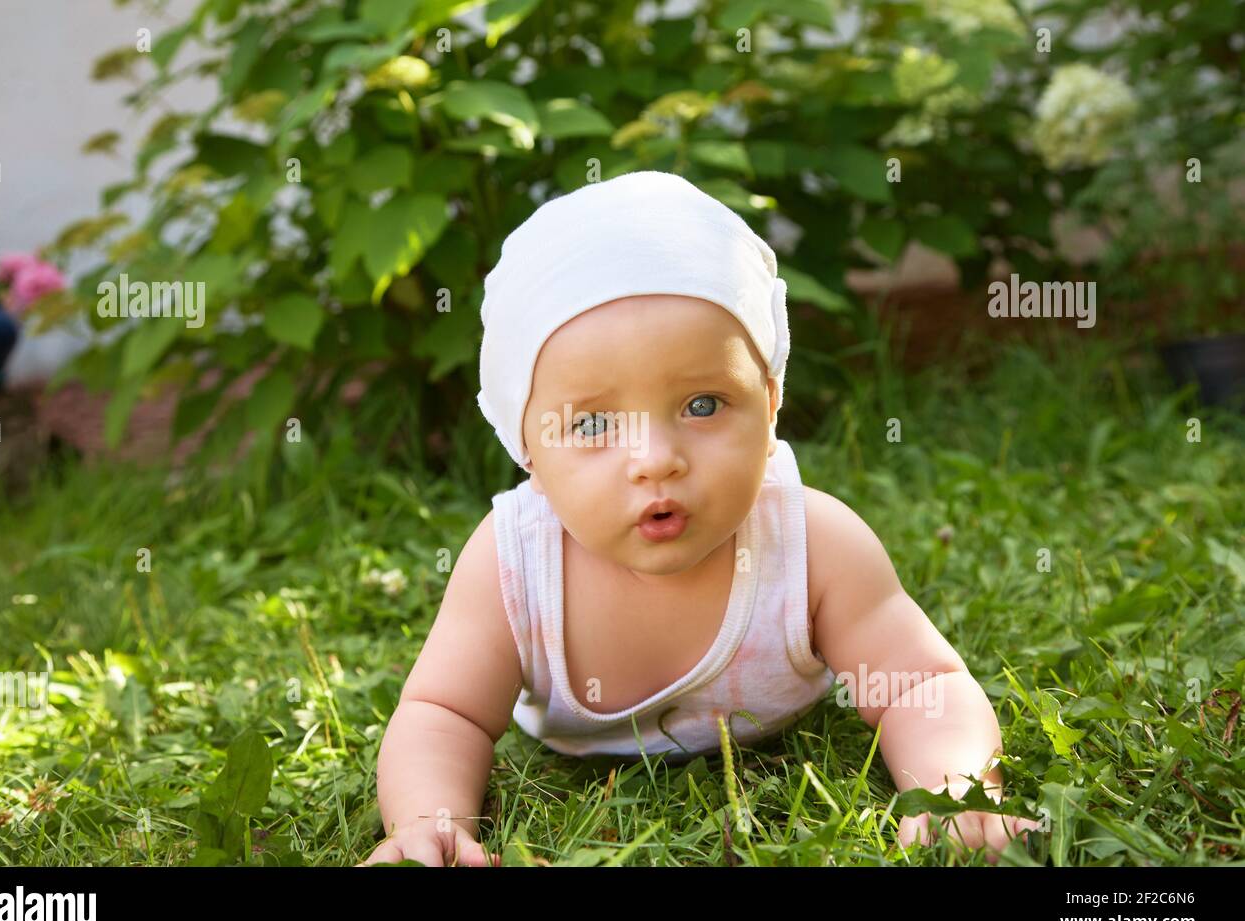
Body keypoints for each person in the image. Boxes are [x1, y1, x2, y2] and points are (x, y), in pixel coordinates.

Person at [360, 171, 1039, 867]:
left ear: (770, 401)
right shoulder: (512, 565)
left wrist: (954, 791)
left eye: (704, 405)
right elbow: (446, 713)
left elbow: (920, 683)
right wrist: (428, 821)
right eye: (592, 422)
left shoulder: (814, 545)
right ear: (525, 443)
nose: (655, 460)